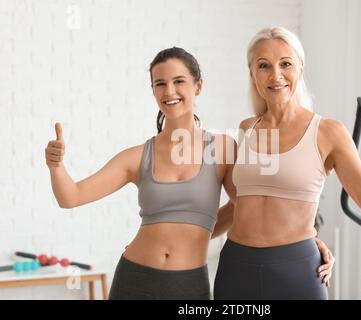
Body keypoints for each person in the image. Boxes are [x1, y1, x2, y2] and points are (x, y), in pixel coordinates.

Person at [45, 46, 335, 300]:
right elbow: (71, 197)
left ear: (198, 87)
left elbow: (252, 207)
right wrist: (56, 166)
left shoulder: (223, 149)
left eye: (178, 81)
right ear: (154, 92)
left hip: (188, 284)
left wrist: (306, 243)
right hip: (134, 277)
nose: (169, 91)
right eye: (160, 84)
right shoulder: (137, 156)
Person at [213, 26, 361, 300]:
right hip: (236, 267)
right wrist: (180, 239)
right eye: (264, 66)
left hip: (297, 271)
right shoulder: (247, 128)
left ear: (301, 68)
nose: (276, 75)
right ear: (252, 74)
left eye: (285, 63)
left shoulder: (327, 132)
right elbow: (240, 203)